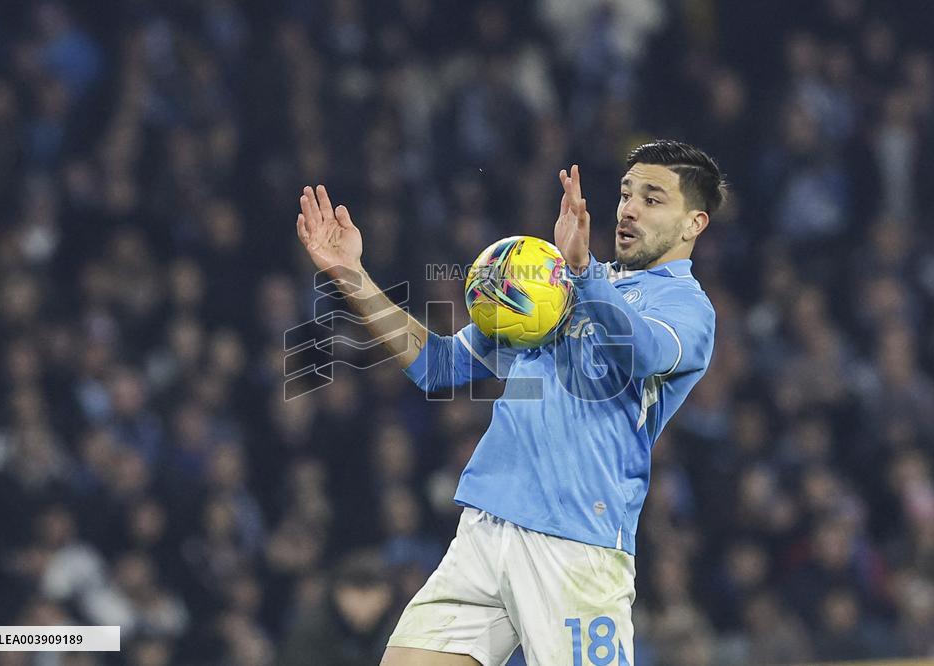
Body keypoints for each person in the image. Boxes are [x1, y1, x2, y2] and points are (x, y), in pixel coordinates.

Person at [295, 140, 725, 665]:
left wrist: (583, 269)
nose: (629, 209)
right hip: (487, 524)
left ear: (693, 224)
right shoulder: (556, 285)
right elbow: (440, 366)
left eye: (653, 199)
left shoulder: (687, 309)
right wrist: (351, 276)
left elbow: (641, 351)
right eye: (625, 194)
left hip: (575, 547)